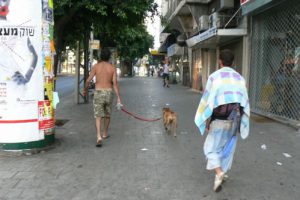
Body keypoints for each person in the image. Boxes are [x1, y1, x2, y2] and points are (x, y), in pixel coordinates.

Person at [194, 49, 250, 192]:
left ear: (219, 61)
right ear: (233, 62)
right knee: (226, 149)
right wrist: (241, 123)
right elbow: (244, 102)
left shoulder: (214, 77)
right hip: (234, 120)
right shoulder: (240, 78)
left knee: (210, 149)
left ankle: (219, 173)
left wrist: (206, 120)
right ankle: (223, 172)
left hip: (219, 120)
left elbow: (208, 101)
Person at [83, 47, 122, 147]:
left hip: (99, 92)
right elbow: (115, 84)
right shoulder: (112, 67)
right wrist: (118, 97)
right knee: (107, 114)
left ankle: (99, 136)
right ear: (109, 57)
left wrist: (85, 89)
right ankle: (105, 133)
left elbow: (88, 80)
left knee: (98, 115)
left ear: (100, 56)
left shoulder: (96, 66)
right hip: (109, 92)